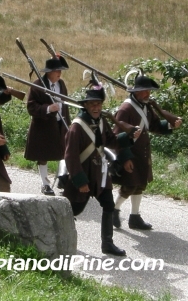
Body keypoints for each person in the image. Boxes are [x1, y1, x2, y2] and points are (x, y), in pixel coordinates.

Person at [63, 84, 135, 256]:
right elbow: (71, 157)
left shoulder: (101, 121)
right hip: (82, 174)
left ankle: (107, 244)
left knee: (109, 205)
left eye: (98, 104)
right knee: (73, 210)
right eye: (92, 104)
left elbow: (111, 141)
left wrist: (130, 136)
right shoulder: (76, 127)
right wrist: (80, 182)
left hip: (100, 174)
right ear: (86, 106)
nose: (96, 107)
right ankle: (58, 237)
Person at [112, 73, 182, 229]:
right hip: (130, 153)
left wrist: (171, 125)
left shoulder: (147, 106)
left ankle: (134, 217)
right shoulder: (126, 109)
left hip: (143, 152)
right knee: (129, 186)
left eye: (148, 90)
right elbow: (116, 137)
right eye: (144, 90)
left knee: (140, 184)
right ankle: (114, 210)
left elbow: (155, 125)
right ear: (136, 91)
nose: (147, 94)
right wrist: (125, 158)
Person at [24, 56, 71, 195]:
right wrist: (48, 109)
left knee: (65, 154)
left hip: (60, 124)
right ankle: (45, 184)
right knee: (43, 156)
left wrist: (68, 122)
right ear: (49, 72)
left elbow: (65, 105)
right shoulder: (37, 85)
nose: (59, 73)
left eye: (60, 70)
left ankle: (63, 182)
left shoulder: (61, 84)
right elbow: (31, 107)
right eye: (57, 70)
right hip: (43, 126)